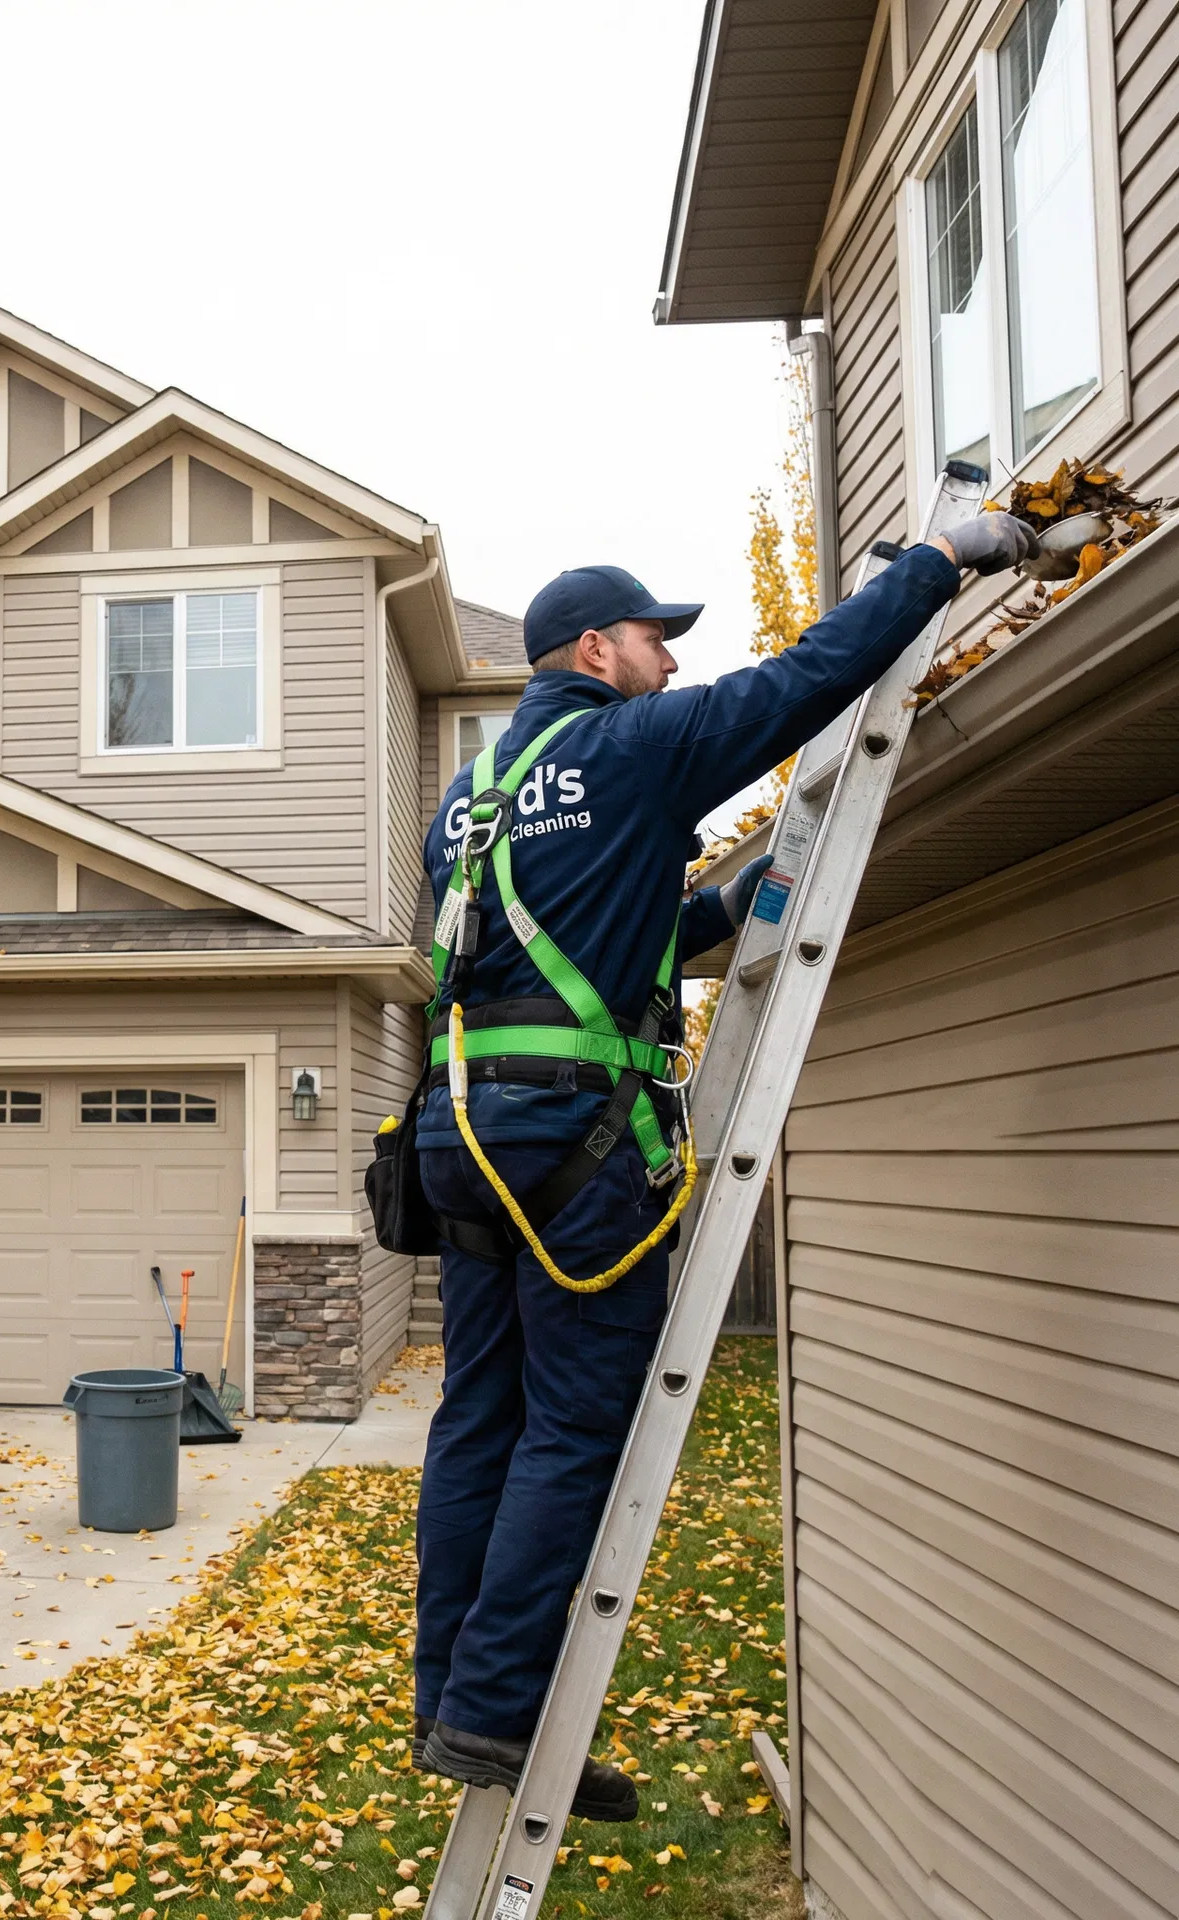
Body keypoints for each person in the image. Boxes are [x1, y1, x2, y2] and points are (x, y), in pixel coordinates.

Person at [410, 514, 1038, 1817]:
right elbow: (807, 677)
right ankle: (496, 1708)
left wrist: (728, 905)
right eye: (656, 640)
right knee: (580, 1421)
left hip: (460, 1140)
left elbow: (573, 932)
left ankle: (449, 1701)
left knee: (482, 1414)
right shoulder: (633, 746)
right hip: (576, 1146)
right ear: (596, 648)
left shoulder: (466, 802)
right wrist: (939, 564)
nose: (674, 665)